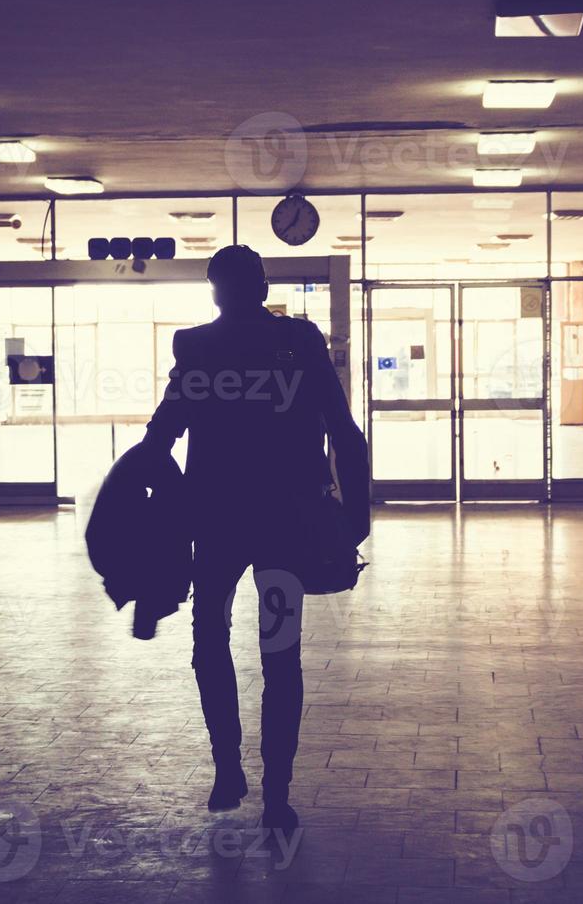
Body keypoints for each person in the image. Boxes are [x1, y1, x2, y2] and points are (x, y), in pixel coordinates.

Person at [138, 244, 370, 833]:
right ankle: (277, 793)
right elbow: (342, 428)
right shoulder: (300, 341)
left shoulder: (196, 346)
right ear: (262, 286)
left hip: (217, 524)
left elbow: (163, 430)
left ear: (214, 290)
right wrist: (356, 516)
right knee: (279, 655)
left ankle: (227, 771)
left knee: (211, 641)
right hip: (282, 527)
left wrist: (145, 499)